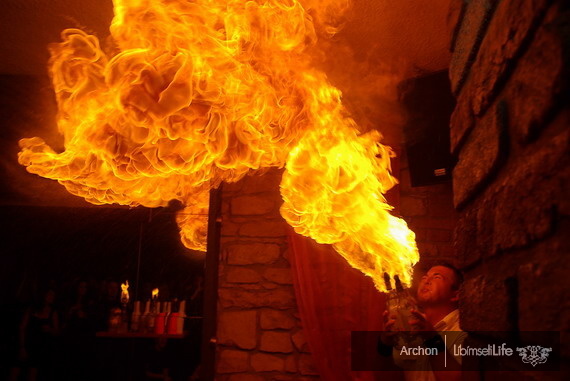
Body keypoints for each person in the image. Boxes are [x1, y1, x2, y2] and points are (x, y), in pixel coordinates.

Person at [379, 262, 466, 381]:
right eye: (424, 277)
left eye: (437, 277)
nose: (426, 281)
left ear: (455, 295)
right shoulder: (411, 327)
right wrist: (385, 343)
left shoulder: (464, 331)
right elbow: (387, 376)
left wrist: (432, 339)